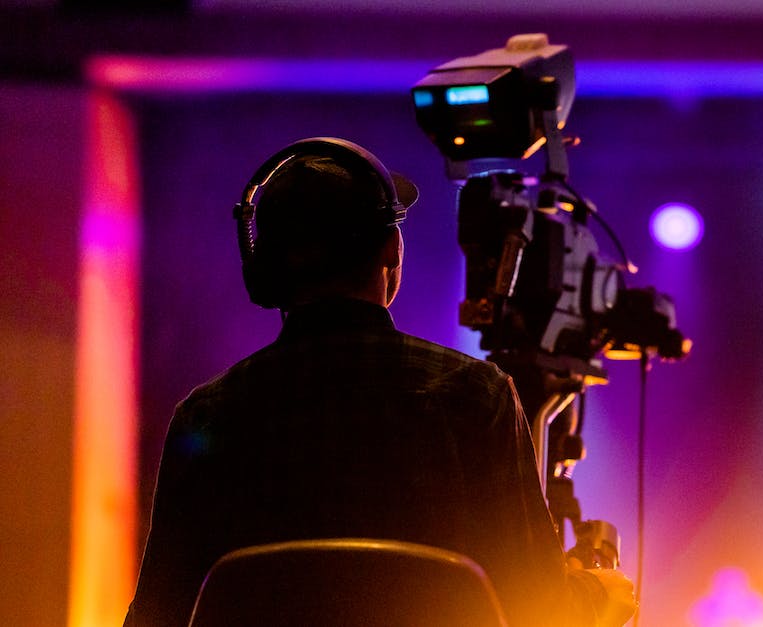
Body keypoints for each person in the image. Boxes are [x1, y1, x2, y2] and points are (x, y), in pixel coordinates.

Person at [123, 138, 636, 627]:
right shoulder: (476, 398)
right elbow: (538, 610)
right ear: (392, 251)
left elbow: (157, 616)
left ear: (266, 267)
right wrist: (599, 596)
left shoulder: (206, 417)